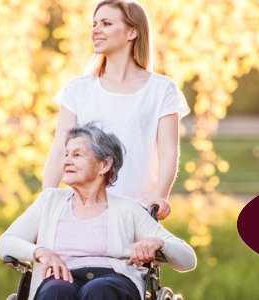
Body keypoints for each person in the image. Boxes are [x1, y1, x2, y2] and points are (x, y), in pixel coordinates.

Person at [0, 123, 196, 300]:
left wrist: (157, 242)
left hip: (113, 281)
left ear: (104, 165)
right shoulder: (49, 201)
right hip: (59, 280)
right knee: (56, 292)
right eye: (66, 154)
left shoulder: (128, 209)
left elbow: (188, 260)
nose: (66, 161)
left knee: (99, 290)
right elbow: (4, 244)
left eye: (77, 155)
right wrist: (39, 251)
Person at [43, 0, 190, 220]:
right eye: (94, 24)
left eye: (106, 23)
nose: (95, 30)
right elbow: (58, 151)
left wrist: (160, 196)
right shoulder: (78, 89)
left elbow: (169, 152)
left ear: (132, 32)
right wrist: (47, 200)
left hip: (137, 213)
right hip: (80, 213)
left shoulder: (162, 90)